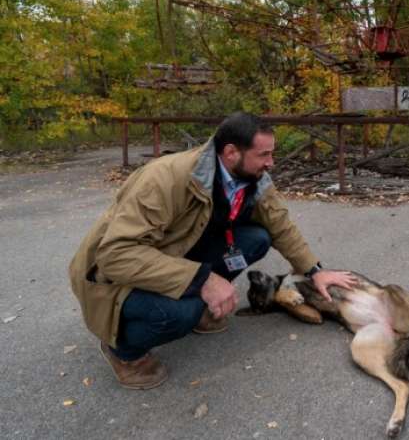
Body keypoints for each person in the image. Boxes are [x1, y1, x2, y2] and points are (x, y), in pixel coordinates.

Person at [68, 112, 357, 389]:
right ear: (231, 152)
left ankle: (201, 305)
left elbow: (280, 224)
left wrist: (315, 271)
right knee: (181, 312)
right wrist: (203, 280)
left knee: (257, 238)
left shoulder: (252, 178)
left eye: (272, 153)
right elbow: (115, 256)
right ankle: (123, 351)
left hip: (170, 257)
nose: (272, 163)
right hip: (111, 278)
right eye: (264, 154)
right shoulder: (165, 179)